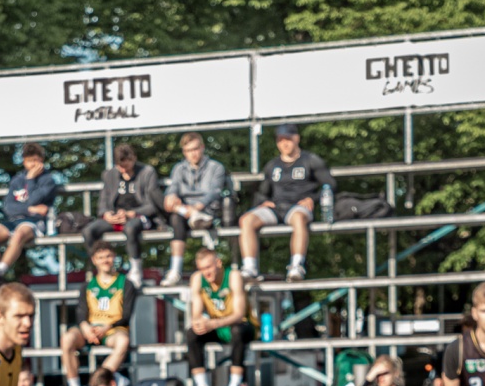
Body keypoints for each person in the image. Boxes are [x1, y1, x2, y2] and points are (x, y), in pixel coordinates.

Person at [239, 124, 336, 283]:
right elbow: (262, 192)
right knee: (246, 220)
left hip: (298, 206)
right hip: (277, 207)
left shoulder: (310, 160)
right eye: (280, 140)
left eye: (288, 139)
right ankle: (250, 268)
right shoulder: (272, 165)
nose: (284, 144)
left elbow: (330, 184)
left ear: (296, 139)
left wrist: (313, 198)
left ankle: (296, 266)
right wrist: (263, 202)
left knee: (298, 218)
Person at [54, 242, 137, 386]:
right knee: (67, 338)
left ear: (114, 257)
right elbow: (81, 313)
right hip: (90, 329)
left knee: (123, 342)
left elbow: (127, 315)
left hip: (112, 329)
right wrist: (85, 327)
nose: (105, 260)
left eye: (108, 256)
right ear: (94, 260)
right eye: (100, 257)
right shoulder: (88, 286)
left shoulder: (126, 283)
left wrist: (107, 327)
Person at [83, 144, 166, 290]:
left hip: (140, 216)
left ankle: (136, 269)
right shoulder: (109, 175)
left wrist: (132, 213)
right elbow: (103, 202)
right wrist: (106, 214)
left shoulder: (147, 172)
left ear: (133, 158)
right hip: (116, 217)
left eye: (127, 165)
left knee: (130, 228)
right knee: (88, 231)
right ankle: (100, 269)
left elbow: (154, 204)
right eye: (120, 167)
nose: (124, 170)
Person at [0, 143, 59, 287]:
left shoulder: (48, 180)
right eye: (29, 161)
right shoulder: (16, 180)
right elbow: (8, 208)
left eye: (36, 160)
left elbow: (34, 199)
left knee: (19, 235)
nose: (33, 164)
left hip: (35, 221)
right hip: (14, 220)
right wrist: (31, 209)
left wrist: (30, 179)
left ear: (42, 160)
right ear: (24, 161)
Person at [186, 248, 253, 386]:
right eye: (202, 269)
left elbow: (239, 314)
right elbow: (196, 312)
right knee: (192, 333)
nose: (206, 273)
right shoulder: (197, 279)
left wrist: (213, 323)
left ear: (218, 263)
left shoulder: (233, 276)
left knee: (238, 332)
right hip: (216, 326)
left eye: (208, 267)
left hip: (239, 325)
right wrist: (198, 323)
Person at [161, 133, 227, 287]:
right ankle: (175, 270)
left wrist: (197, 207)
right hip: (184, 213)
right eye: (189, 150)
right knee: (173, 214)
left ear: (202, 147)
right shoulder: (178, 169)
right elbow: (173, 188)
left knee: (180, 215)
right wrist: (171, 197)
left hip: (208, 211)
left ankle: (194, 216)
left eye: (196, 149)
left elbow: (214, 192)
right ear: (184, 152)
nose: (193, 153)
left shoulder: (216, 167)